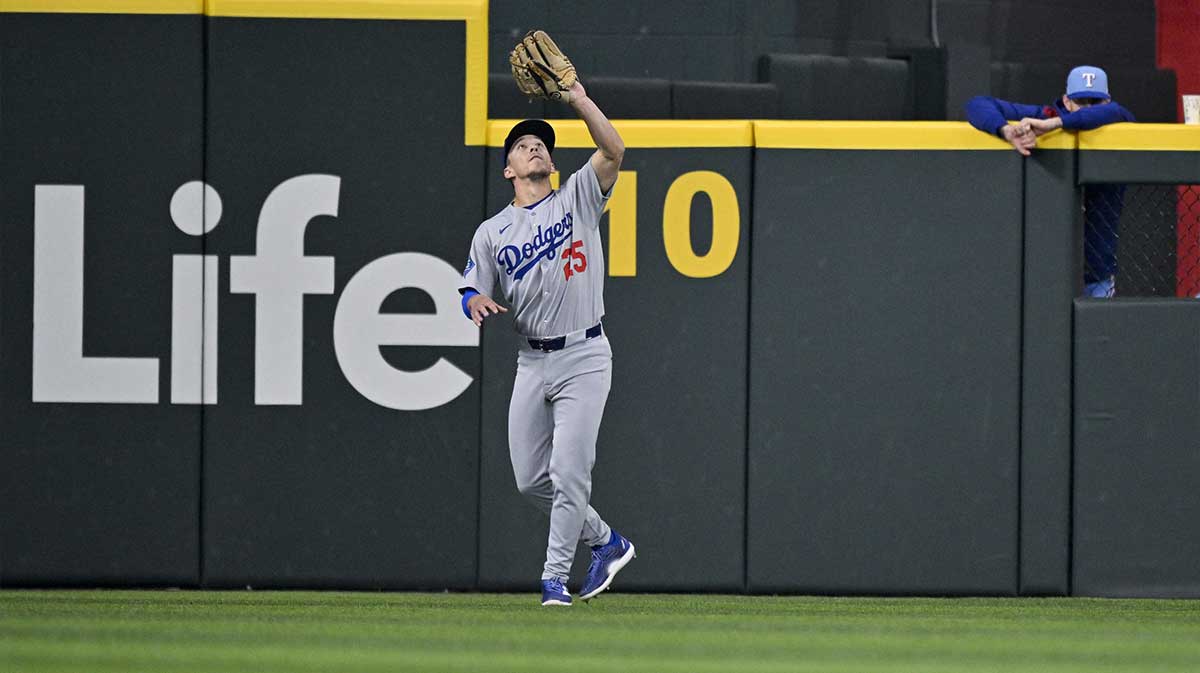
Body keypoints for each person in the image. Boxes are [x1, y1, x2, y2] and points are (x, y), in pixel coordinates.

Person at [458, 80, 635, 606]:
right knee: (530, 479)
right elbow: (471, 285)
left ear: (551, 165)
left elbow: (615, 150)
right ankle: (606, 541)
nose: (534, 147)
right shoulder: (492, 231)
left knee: (568, 471)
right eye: (521, 145)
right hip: (532, 362)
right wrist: (472, 303)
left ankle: (554, 579)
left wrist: (577, 96)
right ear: (509, 170)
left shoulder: (578, 196)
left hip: (584, 354)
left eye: (541, 144)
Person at [965, 65, 1136, 297]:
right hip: (1044, 264)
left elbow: (1112, 112)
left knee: (1098, 322)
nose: (1087, 107)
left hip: (1097, 269)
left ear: (1106, 102)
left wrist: (1054, 125)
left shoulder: (1117, 118)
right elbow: (977, 104)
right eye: (1081, 101)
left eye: (1094, 102)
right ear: (1066, 101)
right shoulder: (1045, 114)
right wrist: (1006, 131)